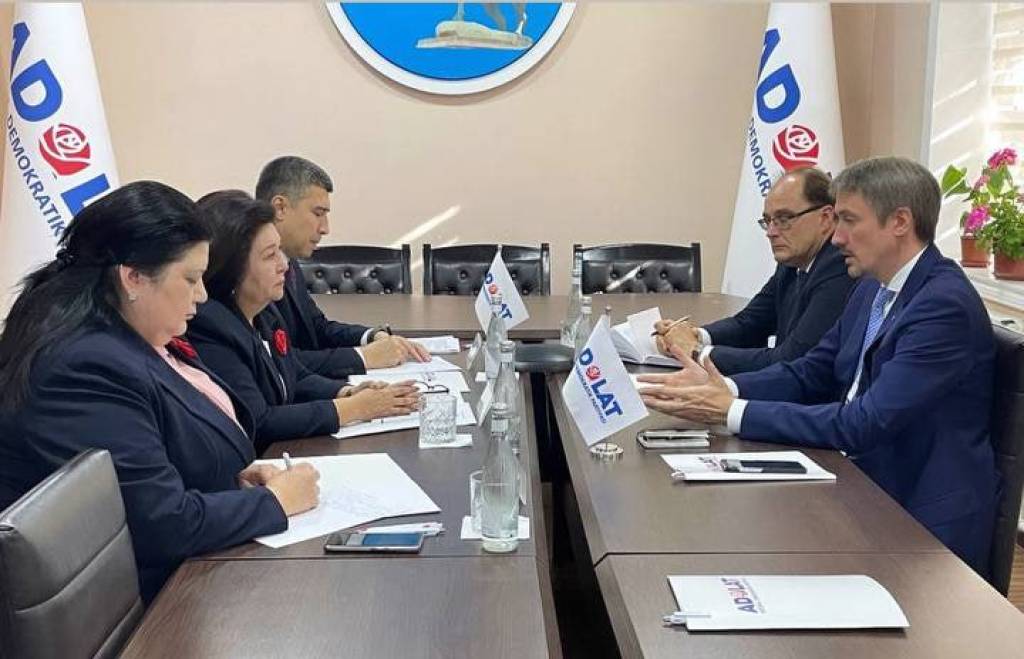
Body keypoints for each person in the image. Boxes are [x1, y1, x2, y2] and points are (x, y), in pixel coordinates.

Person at [639, 157, 998, 576]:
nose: (837, 236)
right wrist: (724, 389)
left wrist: (732, 412)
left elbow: (864, 422)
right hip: (855, 481)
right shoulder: (871, 287)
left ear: (900, 221)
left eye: (848, 220)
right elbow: (813, 370)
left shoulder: (942, 306)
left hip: (917, 520)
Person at [0, 181, 320, 603]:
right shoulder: (83, 364)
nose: (202, 295)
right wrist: (274, 502)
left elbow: (154, 460)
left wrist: (232, 480)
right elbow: (161, 523)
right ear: (133, 278)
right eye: (190, 279)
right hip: (143, 608)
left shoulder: (123, 336)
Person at [187, 190, 421, 452]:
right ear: (231, 267)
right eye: (270, 255)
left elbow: (293, 374)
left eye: (280, 251)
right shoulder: (209, 326)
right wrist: (355, 408)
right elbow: (259, 422)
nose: (284, 265)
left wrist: (347, 392)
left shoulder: (264, 311)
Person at [654, 167, 856, 375]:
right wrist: (696, 335)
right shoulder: (792, 261)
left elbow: (791, 360)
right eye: (768, 221)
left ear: (825, 218)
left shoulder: (839, 266)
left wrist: (697, 351)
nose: (771, 232)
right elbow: (750, 323)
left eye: (784, 219)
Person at [254, 156, 430, 378]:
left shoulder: (289, 260)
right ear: (280, 208)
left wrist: (371, 336)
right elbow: (274, 361)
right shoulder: (249, 273)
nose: (325, 228)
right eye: (318, 214)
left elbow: (317, 328)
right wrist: (364, 357)